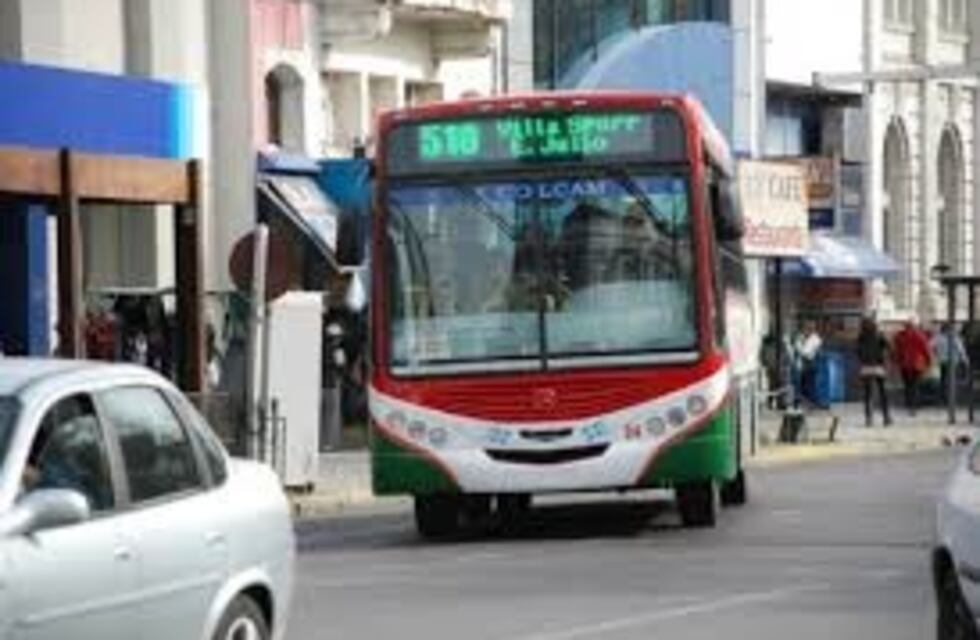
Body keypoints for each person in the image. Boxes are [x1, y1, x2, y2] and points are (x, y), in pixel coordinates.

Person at [856, 315, 892, 427]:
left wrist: (862, 359)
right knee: (883, 393)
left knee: (867, 394)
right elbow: (889, 346)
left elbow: (857, 350)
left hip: (866, 367)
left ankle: (869, 419)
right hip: (878, 366)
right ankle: (886, 417)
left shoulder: (861, 336)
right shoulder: (879, 335)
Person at [892, 318, 932, 415]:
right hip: (917, 364)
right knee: (915, 385)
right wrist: (929, 361)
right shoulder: (920, 335)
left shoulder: (899, 336)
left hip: (904, 364)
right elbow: (926, 349)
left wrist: (895, 361)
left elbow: (896, 350)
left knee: (907, 385)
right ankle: (913, 406)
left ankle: (909, 403)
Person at [931, 322, 969, 403]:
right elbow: (960, 350)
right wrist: (965, 360)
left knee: (944, 379)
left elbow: (930, 346)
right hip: (953, 361)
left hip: (943, 361)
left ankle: (944, 397)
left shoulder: (937, 337)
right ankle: (951, 397)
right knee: (952, 379)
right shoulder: (954, 338)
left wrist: (935, 355)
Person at [794, 320, 822, 405]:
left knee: (810, 383)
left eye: (809, 328)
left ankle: (812, 401)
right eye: (805, 328)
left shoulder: (815, 339)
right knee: (803, 383)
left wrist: (801, 348)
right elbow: (797, 347)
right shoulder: (800, 337)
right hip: (802, 364)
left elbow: (805, 352)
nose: (806, 330)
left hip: (811, 363)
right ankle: (804, 400)